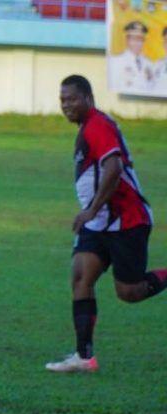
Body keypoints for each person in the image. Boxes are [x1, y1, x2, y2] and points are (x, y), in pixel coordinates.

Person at [45, 75, 165, 373]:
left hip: (127, 220)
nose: (66, 105)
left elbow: (114, 167)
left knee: (130, 292)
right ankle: (84, 357)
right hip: (99, 223)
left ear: (88, 98)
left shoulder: (98, 125)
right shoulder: (88, 127)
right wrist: (93, 214)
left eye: (72, 99)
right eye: (62, 100)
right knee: (80, 277)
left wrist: (91, 209)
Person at [108, 21, 155, 92]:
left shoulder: (149, 63)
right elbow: (113, 88)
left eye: (140, 40)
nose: (137, 43)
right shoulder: (116, 61)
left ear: (144, 41)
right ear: (127, 40)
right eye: (133, 39)